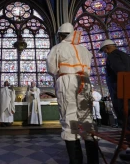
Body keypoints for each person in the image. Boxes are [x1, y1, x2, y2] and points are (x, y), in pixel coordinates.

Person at [47, 22, 99, 164]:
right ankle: (94, 160)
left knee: (69, 119)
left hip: (67, 80)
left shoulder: (57, 48)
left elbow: (51, 69)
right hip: (85, 81)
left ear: (61, 35)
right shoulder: (84, 49)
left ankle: (76, 161)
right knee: (87, 119)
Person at [99, 39, 130, 161]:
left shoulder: (112, 57)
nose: (105, 53)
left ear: (107, 49)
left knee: (125, 119)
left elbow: (122, 73)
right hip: (127, 92)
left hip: (121, 94)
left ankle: (127, 148)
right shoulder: (125, 55)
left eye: (104, 51)